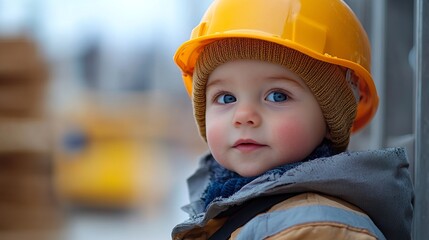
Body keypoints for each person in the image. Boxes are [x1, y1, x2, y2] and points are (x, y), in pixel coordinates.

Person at [171, 0, 414, 239]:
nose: (244, 116)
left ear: (330, 120)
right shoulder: (229, 207)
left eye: (277, 96)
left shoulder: (314, 228)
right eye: (225, 98)